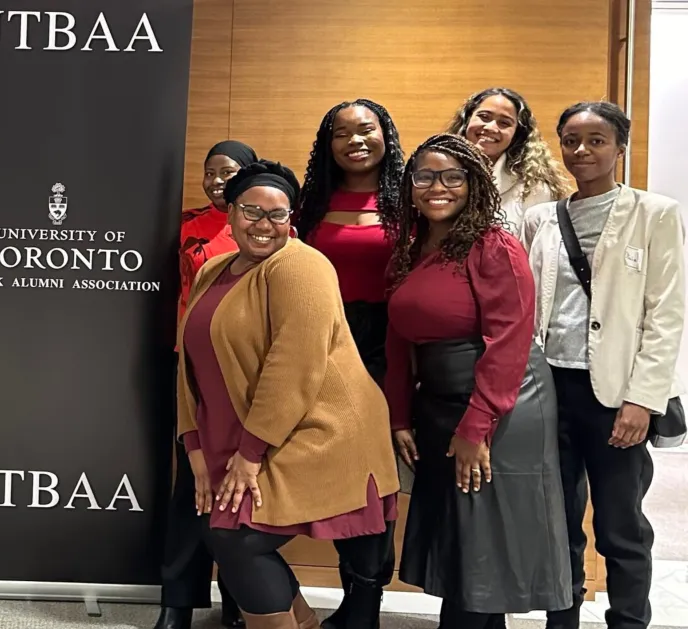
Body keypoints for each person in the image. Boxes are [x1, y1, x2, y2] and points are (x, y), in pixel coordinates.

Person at [178, 159, 401, 629]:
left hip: (319, 428)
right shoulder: (214, 269)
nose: (264, 225)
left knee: (238, 540)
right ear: (231, 213)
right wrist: (193, 444)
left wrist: (251, 453)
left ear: (292, 218)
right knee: (222, 535)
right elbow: (189, 361)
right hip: (248, 433)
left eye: (277, 214)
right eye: (251, 211)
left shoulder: (302, 264)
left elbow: (294, 365)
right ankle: (303, 622)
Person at [382, 133, 571, 629]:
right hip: (440, 403)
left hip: (501, 405)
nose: (436, 186)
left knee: (483, 544)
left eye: (452, 176)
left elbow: (509, 341)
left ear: (473, 183)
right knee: (464, 544)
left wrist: (477, 425)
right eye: (424, 176)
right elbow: (399, 338)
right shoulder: (411, 247)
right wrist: (400, 413)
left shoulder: (495, 246)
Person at [521, 102, 684, 629]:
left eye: (596, 140)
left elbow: (666, 313)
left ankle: (630, 622)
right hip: (549, 391)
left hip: (615, 395)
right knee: (558, 522)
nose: (582, 151)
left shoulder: (654, 212)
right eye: (571, 140)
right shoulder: (540, 218)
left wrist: (643, 399)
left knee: (621, 526)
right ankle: (560, 620)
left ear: (620, 147)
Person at [294, 98, 404, 629]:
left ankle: (366, 600)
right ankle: (350, 595)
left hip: (389, 349)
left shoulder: (409, 199)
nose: (356, 141)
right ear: (327, 143)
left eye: (367, 130)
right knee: (335, 473)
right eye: (342, 133)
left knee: (372, 479)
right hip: (322, 346)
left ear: (386, 134)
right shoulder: (309, 205)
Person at [156, 139, 255, 629]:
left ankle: (241, 597)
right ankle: (177, 602)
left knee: (245, 488)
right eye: (210, 172)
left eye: (230, 172)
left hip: (250, 373)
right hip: (191, 367)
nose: (218, 181)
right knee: (189, 487)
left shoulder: (266, 224)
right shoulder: (186, 226)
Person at [446, 87, 570, 238]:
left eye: (504, 123)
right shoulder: (437, 173)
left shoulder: (533, 189)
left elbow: (537, 253)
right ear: (467, 120)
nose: (490, 127)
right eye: (484, 117)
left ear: (516, 135)